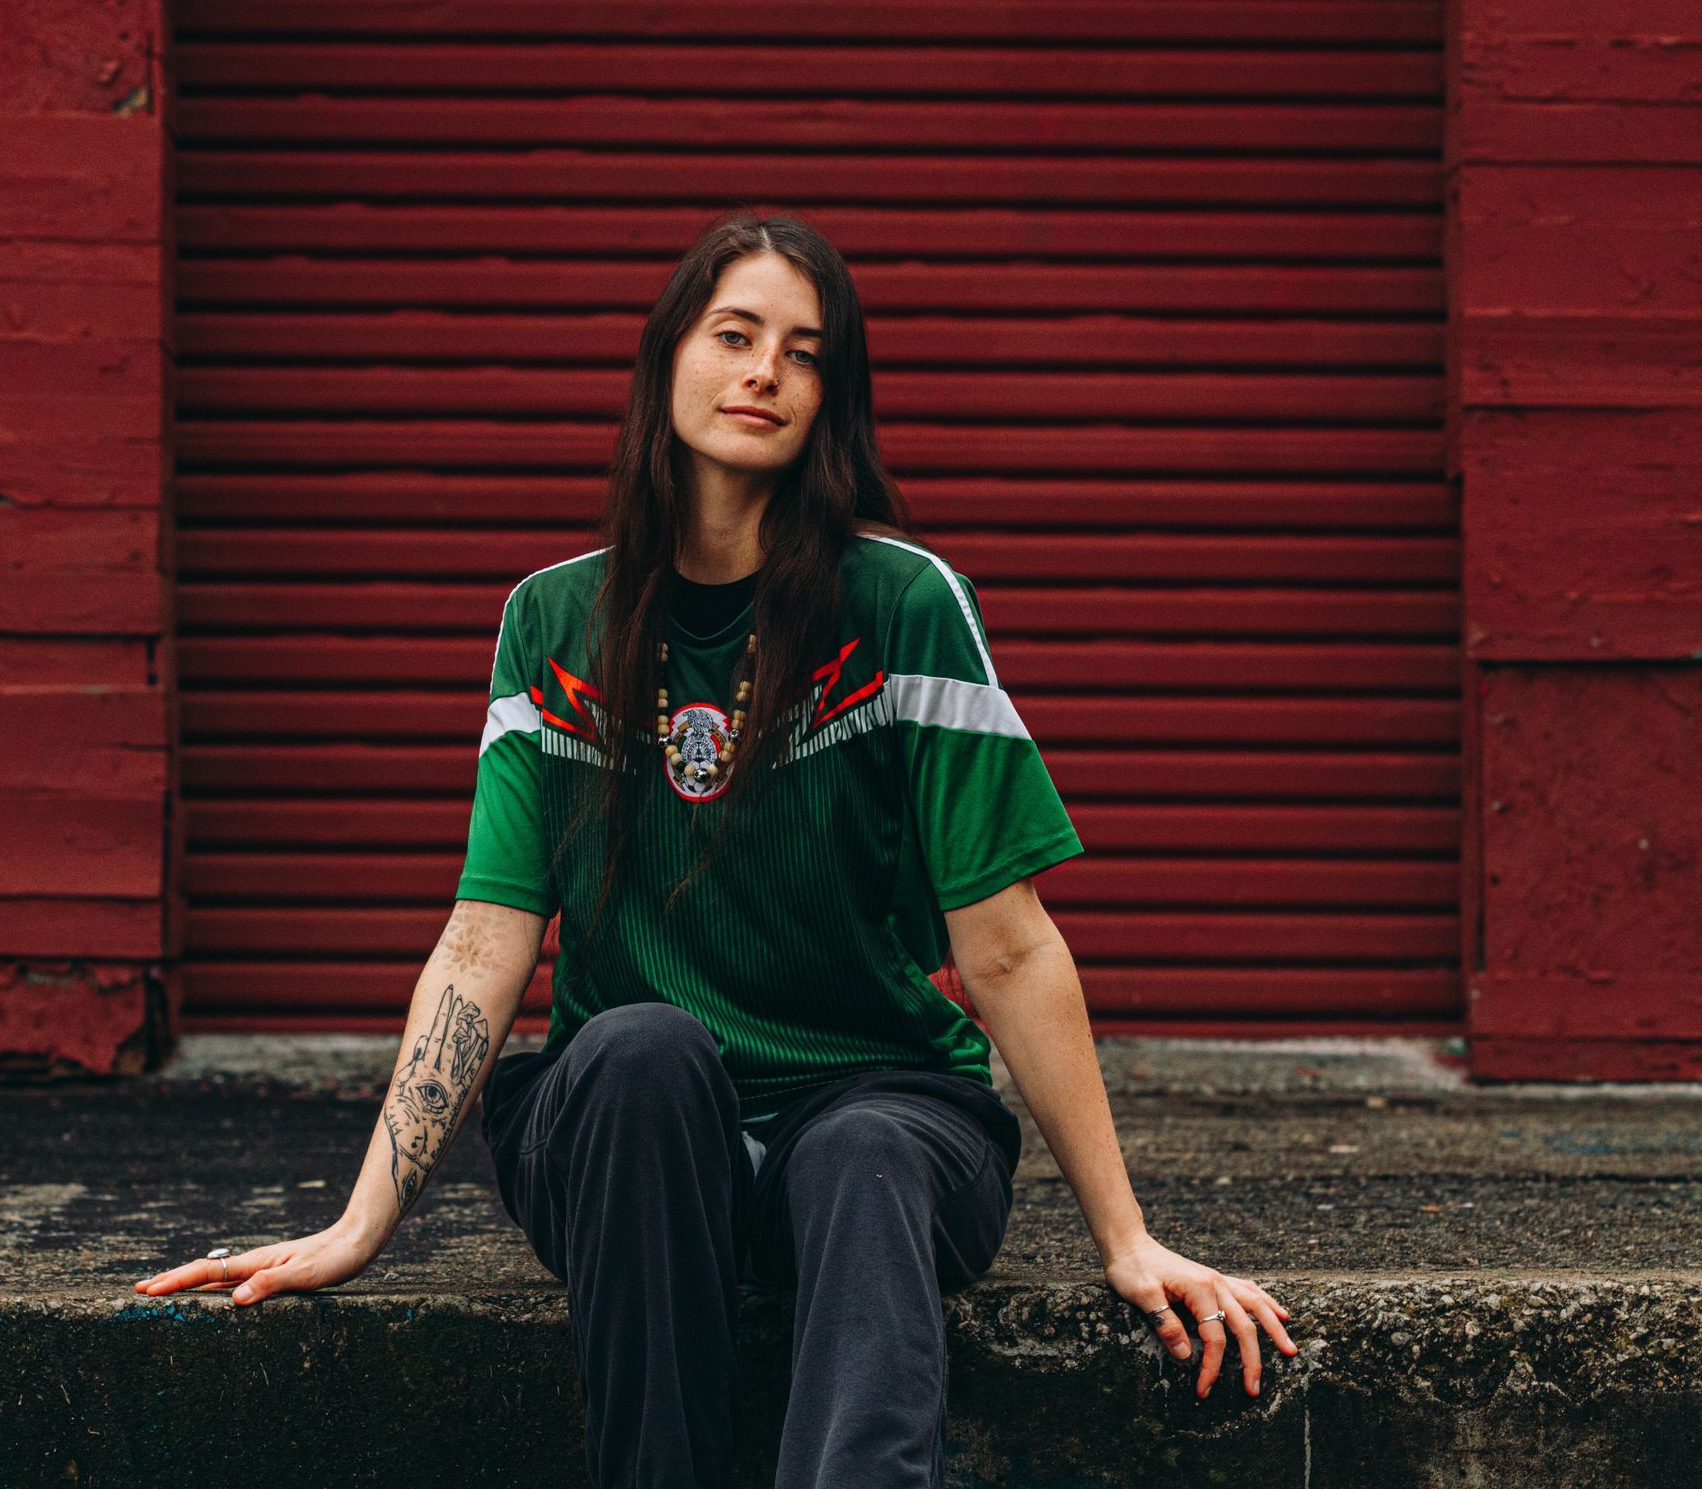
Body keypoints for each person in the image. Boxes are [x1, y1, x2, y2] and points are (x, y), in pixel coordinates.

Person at [135, 210, 1299, 1487]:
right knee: (641, 1045)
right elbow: (485, 940)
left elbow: (1010, 947)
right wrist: (364, 1222)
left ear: (831, 399)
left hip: (880, 1117)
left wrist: (1126, 1239)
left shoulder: (906, 608)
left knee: (862, 1147)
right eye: (734, 335)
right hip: (635, 1148)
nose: (763, 373)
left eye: (803, 354)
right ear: (666, 362)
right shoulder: (554, 619)